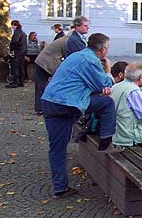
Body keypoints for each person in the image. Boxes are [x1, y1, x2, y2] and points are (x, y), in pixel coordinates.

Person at [41, 33, 120, 199]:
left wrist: (97, 88)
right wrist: (108, 70)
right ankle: (106, 141)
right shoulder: (91, 61)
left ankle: (60, 188)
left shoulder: (77, 56)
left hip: (49, 101)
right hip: (66, 104)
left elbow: (83, 82)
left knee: (57, 149)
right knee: (107, 104)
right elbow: (105, 83)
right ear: (103, 49)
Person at [34, 32, 71, 114]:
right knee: (44, 85)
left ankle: (40, 108)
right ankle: (43, 107)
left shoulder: (63, 40)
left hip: (42, 62)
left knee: (41, 86)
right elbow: (68, 56)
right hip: (47, 63)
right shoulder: (67, 42)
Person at [7, 20, 27, 88]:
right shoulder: (23, 32)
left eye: (12, 26)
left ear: (14, 25)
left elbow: (15, 41)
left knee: (16, 67)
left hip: (18, 51)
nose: (12, 27)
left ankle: (15, 82)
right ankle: (21, 82)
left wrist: (12, 47)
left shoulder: (17, 32)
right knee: (21, 67)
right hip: (23, 51)